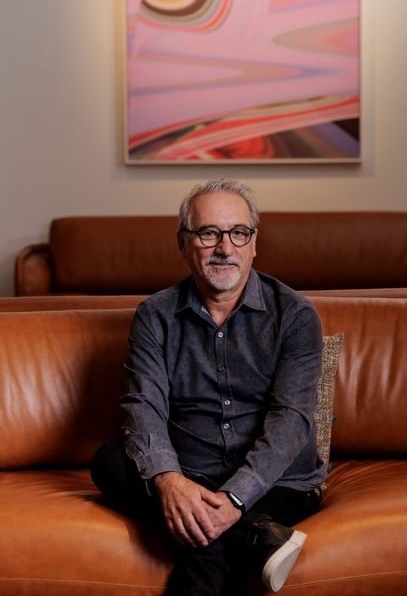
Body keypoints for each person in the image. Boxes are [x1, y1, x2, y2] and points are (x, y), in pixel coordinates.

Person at [91, 179, 325, 595]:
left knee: (205, 548)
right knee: (110, 461)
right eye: (208, 233)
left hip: (276, 483)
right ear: (183, 244)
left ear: (254, 244)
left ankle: (240, 526)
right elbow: (143, 404)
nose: (224, 248)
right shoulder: (155, 316)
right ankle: (257, 536)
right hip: (190, 469)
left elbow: (290, 421)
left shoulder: (295, 315)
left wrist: (233, 501)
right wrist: (169, 481)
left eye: (238, 233)